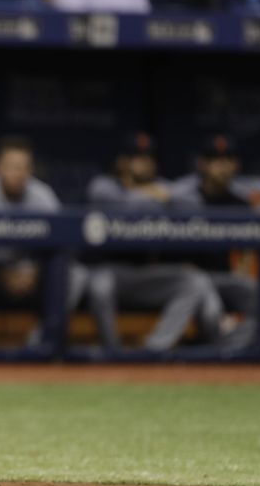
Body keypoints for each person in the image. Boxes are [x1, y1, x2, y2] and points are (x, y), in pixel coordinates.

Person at [86, 132, 226, 351]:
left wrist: (164, 196)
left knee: (195, 282)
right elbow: (107, 200)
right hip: (116, 271)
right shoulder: (105, 185)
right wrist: (152, 196)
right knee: (98, 284)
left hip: (153, 272)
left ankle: (154, 351)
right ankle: (112, 352)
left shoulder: (165, 187)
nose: (144, 163)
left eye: (148, 158)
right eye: (137, 158)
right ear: (122, 162)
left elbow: (194, 205)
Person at [0, 136, 90, 350]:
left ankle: (42, 342)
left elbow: (63, 245)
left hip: (32, 279)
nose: (18, 174)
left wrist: (34, 270)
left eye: (24, 167)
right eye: (12, 167)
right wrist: (0, 271)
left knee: (78, 275)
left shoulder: (42, 196)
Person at [171, 134, 258, 347]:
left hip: (222, 277)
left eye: (227, 160)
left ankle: (229, 349)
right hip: (188, 276)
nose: (223, 167)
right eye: (216, 161)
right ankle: (213, 352)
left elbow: (248, 249)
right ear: (203, 164)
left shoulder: (240, 202)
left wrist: (242, 273)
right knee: (210, 310)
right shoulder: (183, 198)